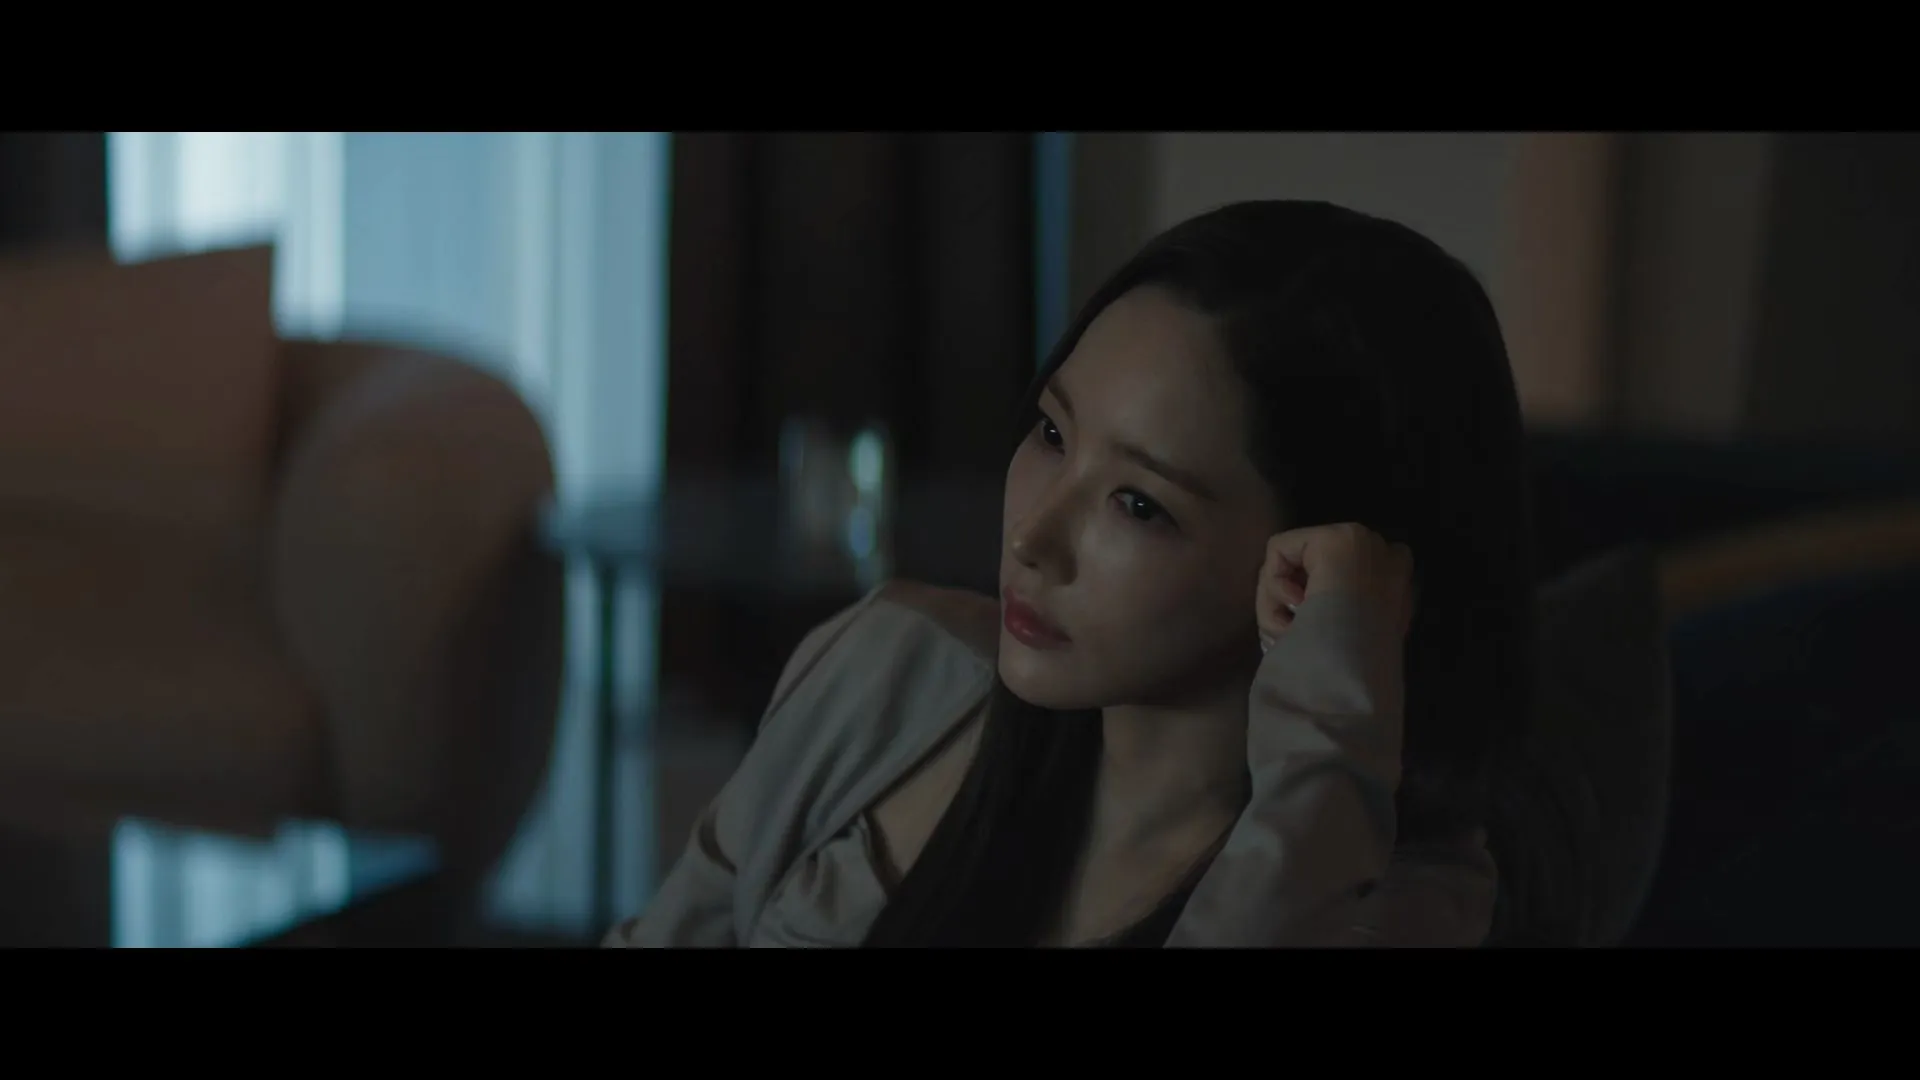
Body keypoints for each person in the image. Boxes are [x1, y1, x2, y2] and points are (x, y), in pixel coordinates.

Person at [606, 199, 1536, 948]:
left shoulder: (1381, 891)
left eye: (1139, 504)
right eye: (1053, 432)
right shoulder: (891, 668)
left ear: (1314, 565)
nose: (1032, 538)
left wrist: (1330, 716)